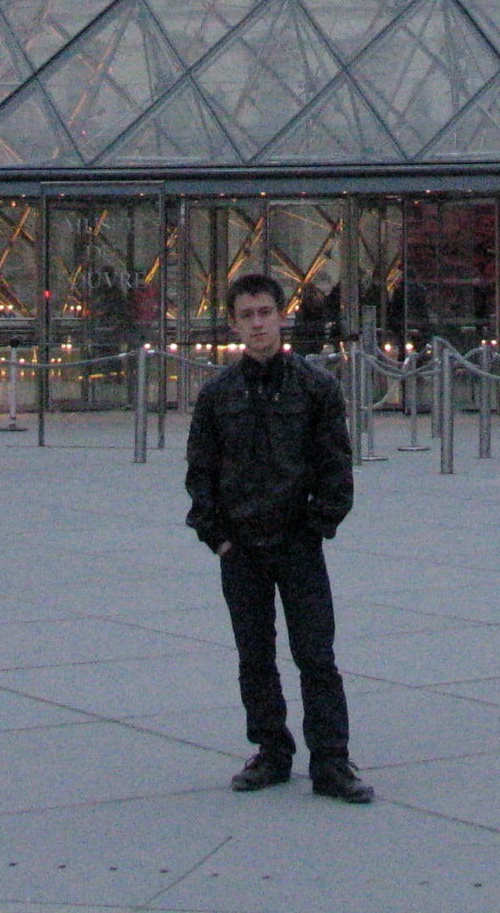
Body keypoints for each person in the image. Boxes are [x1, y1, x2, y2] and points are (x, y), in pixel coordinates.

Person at [185, 270, 371, 805]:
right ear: (233, 324)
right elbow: (201, 472)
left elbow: (336, 468)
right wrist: (219, 538)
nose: (258, 324)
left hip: (297, 544)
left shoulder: (317, 388)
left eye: (265, 312)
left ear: (281, 316)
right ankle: (271, 751)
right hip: (241, 548)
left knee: (316, 655)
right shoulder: (217, 395)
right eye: (247, 315)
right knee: (254, 655)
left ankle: (331, 760)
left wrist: (316, 526)